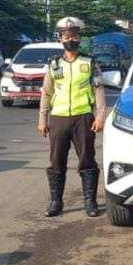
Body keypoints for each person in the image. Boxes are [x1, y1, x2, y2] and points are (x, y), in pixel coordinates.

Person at [38, 17, 106, 218]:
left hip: (83, 118)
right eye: (67, 36)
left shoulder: (90, 62)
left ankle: (90, 202)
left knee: (87, 159)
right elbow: (46, 93)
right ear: (60, 39)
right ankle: (55, 201)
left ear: (80, 38)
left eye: (74, 36)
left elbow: (99, 90)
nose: (71, 39)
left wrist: (100, 116)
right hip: (58, 118)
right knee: (56, 161)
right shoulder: (53, 64)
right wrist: (43, 119)